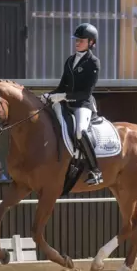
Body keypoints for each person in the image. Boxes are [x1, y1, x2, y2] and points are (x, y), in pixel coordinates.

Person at [40, 22, 103, 186]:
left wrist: (63, 96)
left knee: (80, 132)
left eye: (81, 40)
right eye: (76, 40)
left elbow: (85, 93)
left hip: (83, 105)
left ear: (91, 43)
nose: (77, 43)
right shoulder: (70, 60)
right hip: (66, 103)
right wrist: (49, 95)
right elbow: (62, 86)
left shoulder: (93, 62)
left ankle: (95, 171)